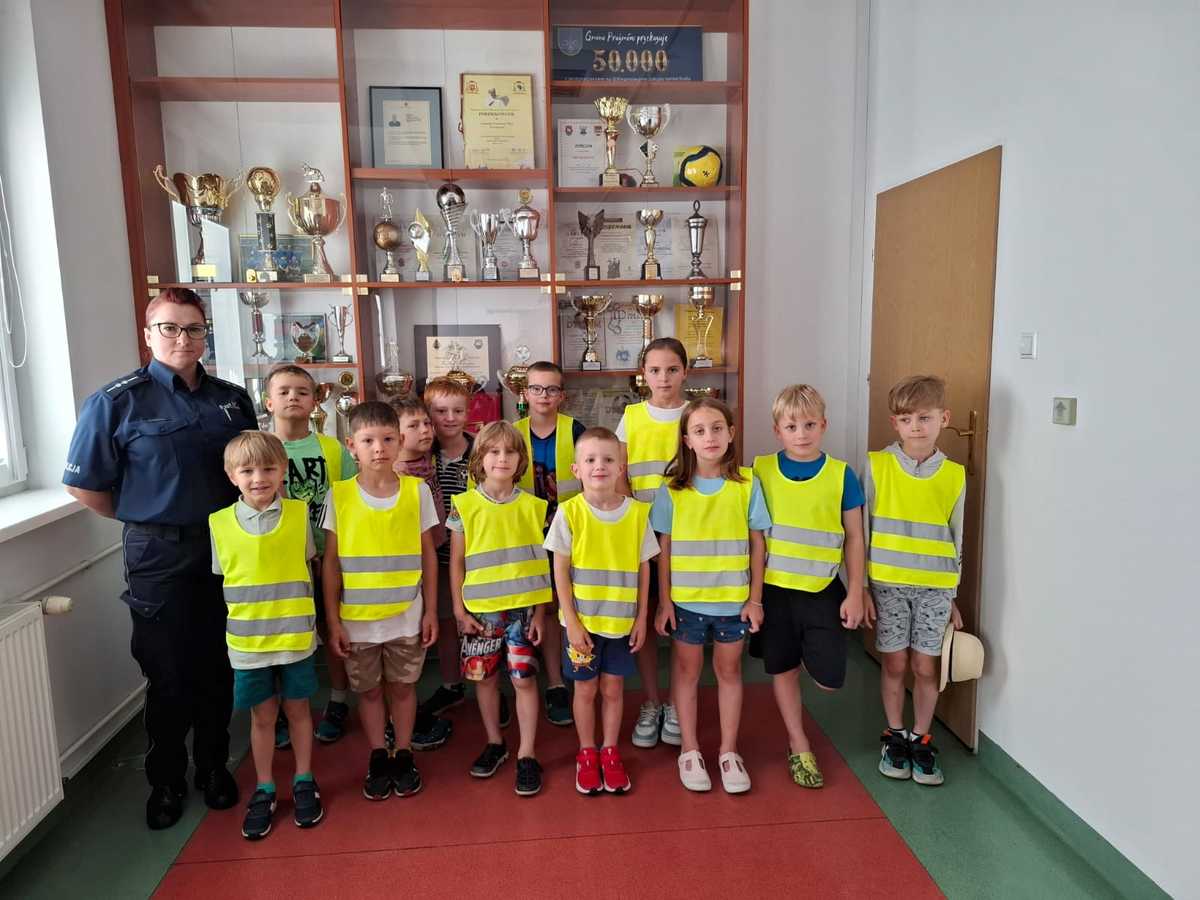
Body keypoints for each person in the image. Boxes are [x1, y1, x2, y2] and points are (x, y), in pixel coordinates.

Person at [63, 287, 257, 830]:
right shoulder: (116, 402)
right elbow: (85, 488)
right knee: (168, 673)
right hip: (158, 552)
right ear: (148, 334)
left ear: (205, 336)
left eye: (193, 328)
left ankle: (213, 767)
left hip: (227, 548)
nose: (182, 339)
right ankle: (166, 781)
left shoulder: (231, 399)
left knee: (219, 666)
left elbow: (250, 468)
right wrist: (149, 517)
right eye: (169, 328)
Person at [321, 401, 439, 800]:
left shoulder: (417, 491)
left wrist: (431, 611)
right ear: (351, 445)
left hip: (407, 615)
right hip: (357, 620)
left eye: (388, 439)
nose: (379, 448)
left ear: (400, 441)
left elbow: (427, 554)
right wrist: (333, 621)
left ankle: (403, 753)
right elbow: (331, 563)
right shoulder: (339, 495)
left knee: (403, 688)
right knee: (369, 691)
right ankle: (378, 754)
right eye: (368, 440)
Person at [750, 385, 866, 789]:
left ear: (824, 425)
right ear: (777, 430)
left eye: (810, 425)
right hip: (775, 591)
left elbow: (855, 537)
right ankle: (798, 743)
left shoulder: (841, 474)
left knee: (828, 680)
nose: (801, 434)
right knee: (782, 670)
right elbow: (752, 534)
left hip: (823, 590)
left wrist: (856, 590)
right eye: (792, 426)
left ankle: (806, 656)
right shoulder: (761, 469)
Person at [209, 431, 324, 839]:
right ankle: (265, 786)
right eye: (247, 470)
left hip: (295, 639)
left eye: (268, 468)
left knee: (299, 711)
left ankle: (304, 778)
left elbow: (307, 566)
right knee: (262, 717)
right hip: (249, 645)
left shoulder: (298, 514)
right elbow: (225, 575)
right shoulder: (219, 524)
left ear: (283, 470)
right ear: (231, 476)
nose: (258, 478)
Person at [652, 399, 766, 793]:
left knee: (729, 673)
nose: (709, 437)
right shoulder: (672, 490)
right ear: (687, 440)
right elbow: (663, 550)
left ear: (731, 433)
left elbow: (758, 544)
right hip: (687, 603)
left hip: (734, 603)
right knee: (686, 673)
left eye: (717, 428)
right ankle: (690, 749)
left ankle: (728, 751)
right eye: (699, 431)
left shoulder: (747, 484)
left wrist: (755, 600)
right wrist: (664, 602)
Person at [864, 375, 965, 787]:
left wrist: (952, 595)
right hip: (887, 584)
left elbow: (957, 537)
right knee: (895, 662)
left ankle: (922, 738)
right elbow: (863, 530)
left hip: (935, 588)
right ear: (895, 423)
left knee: (925, 665)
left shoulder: (955, 475)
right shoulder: (877, 465)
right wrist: (862, 587)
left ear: (944, 418)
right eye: (906, 419)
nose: (916, 427)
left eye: (925, 418)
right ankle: (895, 735)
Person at [545, 427, 658, 795]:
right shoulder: (569, 513)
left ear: (621, 467)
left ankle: (610, 751)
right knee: (585, 690)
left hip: (620, 623)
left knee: (612, 689)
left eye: (608, 459)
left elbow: (644, 567)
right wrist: (571, 621)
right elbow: (560, 572)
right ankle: (587, 751)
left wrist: (641, 617)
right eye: (591, 460)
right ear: (576, 469)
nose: (600, 466)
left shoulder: (637, 514)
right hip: (582, 626)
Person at [448, 422, 552, 795]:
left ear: (521, 460)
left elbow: (541, 564)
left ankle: (527, 753)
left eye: (510, 452)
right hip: (480, 615)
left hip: (522, 614)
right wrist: (459, 611)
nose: (502, 459)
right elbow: (456, 563)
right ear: (480, 459)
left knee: (524, 680)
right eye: (493, 451)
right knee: (485, 680)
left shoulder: (534, 507)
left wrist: (540, 613)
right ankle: (495, 742)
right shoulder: (463, 506)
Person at [263, 364, 357, 748]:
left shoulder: (332, 449)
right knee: (283, 638)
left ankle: (338, 700)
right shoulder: (259, 448)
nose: (293, 398)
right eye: (284, 391)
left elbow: (349, 502)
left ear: (316, 400)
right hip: (279, 564)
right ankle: (283, 710)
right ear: (268, 401)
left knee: (332, 628)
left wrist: (334, 554)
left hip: (327, 556)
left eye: (302, 392)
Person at [616, 337, 688, 749]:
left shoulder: (694, 415)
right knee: (642, 619)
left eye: (672, 369)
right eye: (655, 370)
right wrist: (635, 524)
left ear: (684, 373)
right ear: (643, 374)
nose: (663, 378)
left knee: (679, 623)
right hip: (641, 534)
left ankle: (677, 703)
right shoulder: (631, 416)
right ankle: (652, 701)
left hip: (684, 536)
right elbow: (620, 472)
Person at [513, 360, 586, 727]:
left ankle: (558, 682)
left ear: (562, 395)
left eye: (551, 389)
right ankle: (523, 679)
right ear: (525, 393)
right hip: (524, 535)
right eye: (536, 388)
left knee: (561, 606)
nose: (544, 395)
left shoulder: (576, 431)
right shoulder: (512, 434)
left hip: (569, 535)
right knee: (531, 608)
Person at [416, 377, 482, 722]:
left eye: (458, 410)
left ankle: (487, 685)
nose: (450, 418)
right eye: (441, 411)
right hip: (438, 558)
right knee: (444, 618)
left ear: (468, 413)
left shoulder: (481, 452)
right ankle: (451, 684)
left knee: (481, 622)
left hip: (478, 555)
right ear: (428, 414)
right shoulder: (420, 457)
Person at [391, 395, 454, 750]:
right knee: (407, 646)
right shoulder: (398, 472)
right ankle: (401, 722)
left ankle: (409, 714)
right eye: (413, 425)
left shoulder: (427, 463)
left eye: (426, 423)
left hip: (435, 553)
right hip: (409, 565)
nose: (425, 430)